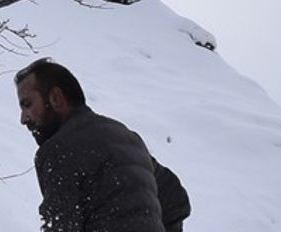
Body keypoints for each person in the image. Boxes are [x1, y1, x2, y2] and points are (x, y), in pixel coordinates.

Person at [15, 58, 188, 232]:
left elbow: (62, 226)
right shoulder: (127, 138)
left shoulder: (58, 149)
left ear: (56, 98)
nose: (23, 119)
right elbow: (176, 199)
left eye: (27, 104)